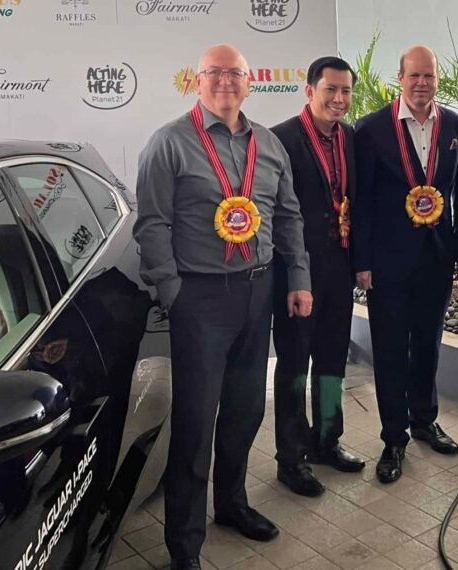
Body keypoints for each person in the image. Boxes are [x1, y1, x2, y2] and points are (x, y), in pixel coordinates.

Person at [134, 44, 313, 569]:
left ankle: (231, 505)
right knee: (195, 423)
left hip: (259, 292)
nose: (225, 82)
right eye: (214, 72)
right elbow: (152, 224)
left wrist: (297, 277)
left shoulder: (269, 145)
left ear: (250, 82)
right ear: (197, 80)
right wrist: (174, 292)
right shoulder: (169, 143)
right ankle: (184, 544)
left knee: (245, 409)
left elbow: (288, 217)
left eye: (235, 73)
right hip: (200, 299)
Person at [353, 45, 458, 483]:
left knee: (427, 344)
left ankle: (424, 420)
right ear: (399, 78)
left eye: (429, 76)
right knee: (389, 350)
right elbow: (362, 200)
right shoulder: (371, 129)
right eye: (414, 75)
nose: (422, 83)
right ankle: (393, 438)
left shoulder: (454, 125)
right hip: (387, 261)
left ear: (437, 79)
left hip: (436, 256)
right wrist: (362, 260)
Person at [268, 56, 366, 498]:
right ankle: (290, 458)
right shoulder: (281, 139)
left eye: (346, 91)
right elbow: (273, 212)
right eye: (331, 89)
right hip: (296, 273)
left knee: (331, 360)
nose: (339, 99)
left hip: (339, 267)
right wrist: (294, 275)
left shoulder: (349, 137)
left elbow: (354, 203)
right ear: (310, 90)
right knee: (294, 364)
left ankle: (327, 440)